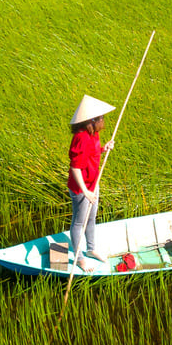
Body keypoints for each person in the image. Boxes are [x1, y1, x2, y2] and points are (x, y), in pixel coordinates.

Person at [67, 94, 117, 272]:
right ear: (91, 120)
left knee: (91, 218)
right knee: (79, 222)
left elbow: (92, 154)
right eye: (101, 118)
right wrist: (85, 191)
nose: (103, 120)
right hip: (81, 187)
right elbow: (75, 167)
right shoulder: (81, 138)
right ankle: (79, 258)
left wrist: (104, 148)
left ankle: (92, 248)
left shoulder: (94, 133)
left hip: (93, 182)